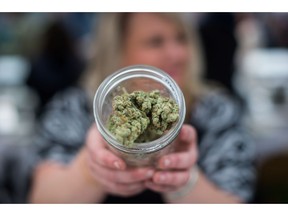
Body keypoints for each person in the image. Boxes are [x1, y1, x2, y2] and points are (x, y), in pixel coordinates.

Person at [28, 13, 255, 203]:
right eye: (155, 41)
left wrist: (182, 179)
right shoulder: (74, 108)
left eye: (181, 38)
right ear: (117, 50)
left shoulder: (217, 110)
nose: (176, 54)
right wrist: (92, 169)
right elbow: (41, 200)